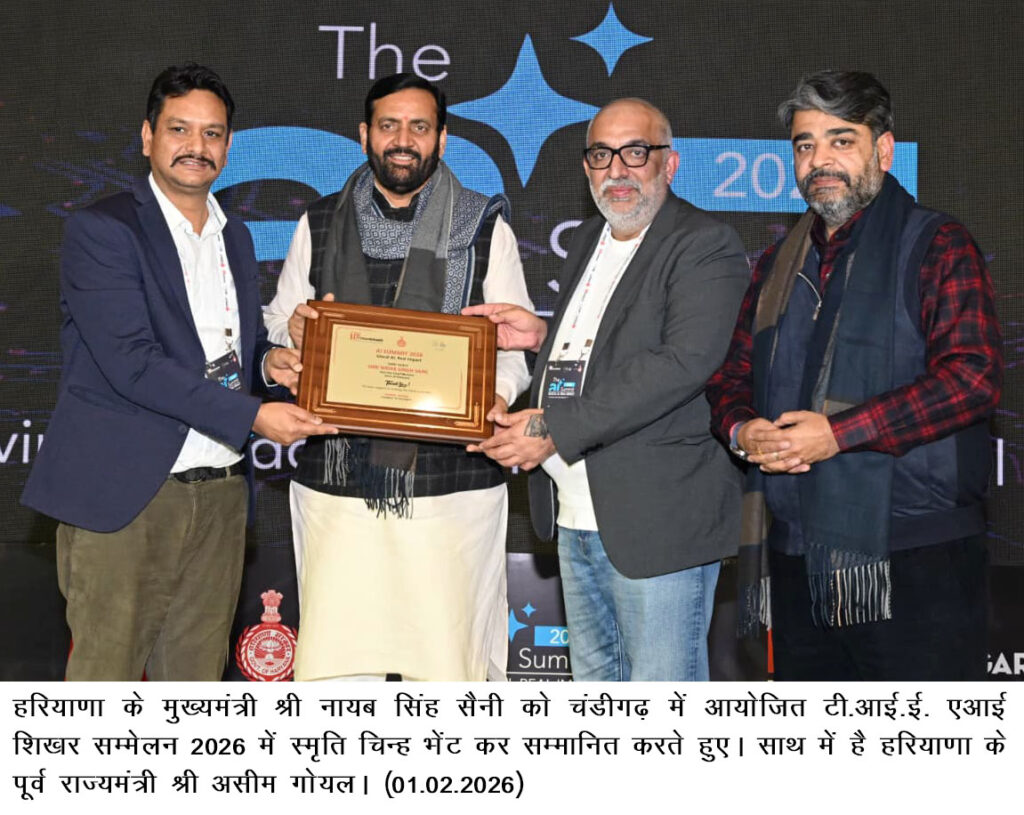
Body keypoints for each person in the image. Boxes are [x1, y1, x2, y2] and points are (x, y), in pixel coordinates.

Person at [20, 63, 335, 681]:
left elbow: (219, 352)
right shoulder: (104, 230)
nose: (197, 146)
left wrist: (267, 363)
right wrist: (254, 415)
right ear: (147, 137)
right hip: (127, 495)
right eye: (179, 129)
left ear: (229, 145)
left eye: (212, 133)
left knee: (193, 689)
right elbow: (133, 363)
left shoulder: (234, 236)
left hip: (220, 496)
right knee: (102, 690)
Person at [706, 70, 1001, 680]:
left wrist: (837, 434)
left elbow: (971, 377)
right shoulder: (775, 265)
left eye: (842, 140)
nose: (821, 161)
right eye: (805, 145)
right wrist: (743, 431)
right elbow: (730, 379)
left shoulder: (938, 244)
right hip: (794, 553)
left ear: (883, 150)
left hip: (917, 554)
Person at [264, 73, 533, 681]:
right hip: (336, 486)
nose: (403, 140)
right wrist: (294, 333)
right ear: (365, 135)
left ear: (442, 138)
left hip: (453, 491)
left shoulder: (484, 226)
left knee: (449, 669)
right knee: (338, 669)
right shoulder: (320, 221)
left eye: (419, 126)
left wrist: (490, 397)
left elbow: (512, 349)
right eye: (389, 126)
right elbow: (280, 320)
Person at [470, 98, 749, 681]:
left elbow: (682, 363)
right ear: (586, 167)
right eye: (601, 155)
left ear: (669, 163)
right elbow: (608, 346)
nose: (617, 170)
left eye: (635, 152)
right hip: (576, 510)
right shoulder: (590, 240)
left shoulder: (705, 243)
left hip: (657, 517)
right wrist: (541, 338)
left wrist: (553, 428)